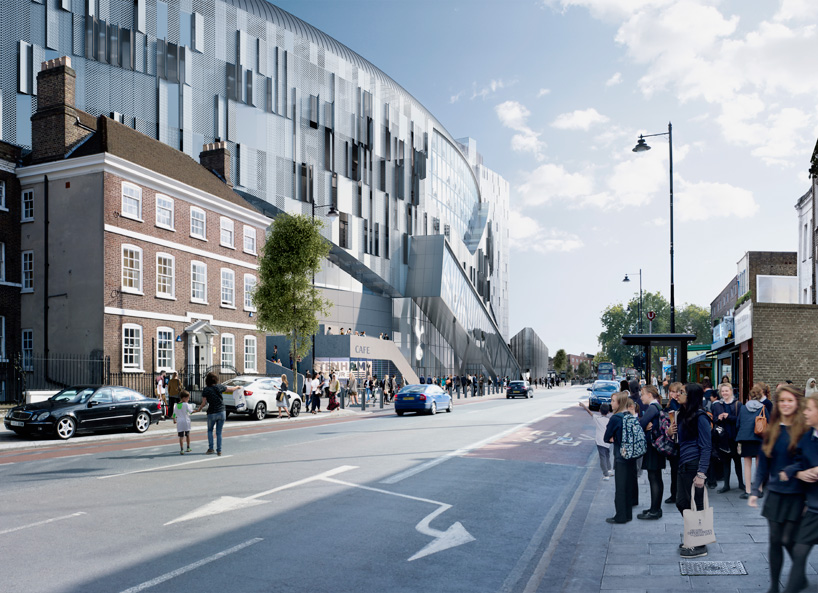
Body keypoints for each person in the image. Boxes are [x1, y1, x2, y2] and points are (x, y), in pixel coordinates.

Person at [750, 384, 808, 593]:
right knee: (775, 540)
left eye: (790, 401)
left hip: (797, 493)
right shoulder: (773, 428)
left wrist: (792, 469)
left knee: (787, 539)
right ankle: (774, 586)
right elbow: (764, 463)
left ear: (797, 403)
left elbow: (807, 460)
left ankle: (799, 575)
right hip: (775, 492)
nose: (785, 404)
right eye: (782, 400)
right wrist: (756, 489)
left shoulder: (804, 430)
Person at [668, 382, 711, 558]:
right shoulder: (683, 414)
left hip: (694, 464)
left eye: (682, 392)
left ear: (692, 396)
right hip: (683, 463)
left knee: (696, 506)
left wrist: (701, 473)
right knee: (681, 502)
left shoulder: (701, 416)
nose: (678, 395)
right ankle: (693, 534)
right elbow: (679, 441)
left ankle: (699, 544)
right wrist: (671, 433)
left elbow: (706, 446)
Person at [604, 391, 638, 524]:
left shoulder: (615, 418)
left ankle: (620, 516)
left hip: (620, 456)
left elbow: (606, 437)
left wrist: (613, 438)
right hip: (631, 455)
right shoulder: (629, 415)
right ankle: (628, 514)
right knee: (628, 485)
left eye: (613, 401)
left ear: (619, 402)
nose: (611, 403)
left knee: (620, 487)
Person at [639, 385, 666, 519]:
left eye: (642, 394)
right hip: (658, 447)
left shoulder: (652, 408)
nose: (641, 397)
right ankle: (655, 508)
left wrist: (643, 424)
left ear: (650, 395)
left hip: (653, 447)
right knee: (656, 478)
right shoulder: (658, 407)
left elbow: (641, 423)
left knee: (654, 478)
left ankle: (655, 511)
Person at [195, 372, 239, 456]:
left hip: (211, 412)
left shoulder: (206, 389)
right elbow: (231, 389)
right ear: (216, 379)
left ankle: (211, 449)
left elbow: (203, 403)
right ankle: (219, 450)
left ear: (207, 380)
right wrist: (237, 387)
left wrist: (199, 409)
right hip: (222, 411)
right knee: (219, 432)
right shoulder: (219, 387)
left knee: (210, 430)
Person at [736, 383, 766, 499]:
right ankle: (759, 489)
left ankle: (748, 491)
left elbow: (738, 423)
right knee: (759, 464)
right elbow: (767, 422)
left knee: (747, 465)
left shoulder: (743, 408)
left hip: (745, 438)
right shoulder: (763, 408)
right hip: (759, 438)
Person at [713, 382, 744, 493]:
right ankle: (726, 485)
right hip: (723, 438)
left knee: (737, 461)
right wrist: (719, 418)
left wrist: (729, 417)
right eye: (723, 391)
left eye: (726, 391)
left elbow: (740, 420)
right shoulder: (717, 405)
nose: (725, 393)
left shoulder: (738, 404)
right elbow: (714, 420)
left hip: (734, 437)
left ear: (731, 391)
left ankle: (741, 483)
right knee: (725, 462)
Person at [580, 401, 612, 480]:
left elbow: (590, 413)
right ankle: (609, 470)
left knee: (602, 457)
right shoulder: (610, 420)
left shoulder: (597, 418)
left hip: (600, 441)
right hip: (608, 442)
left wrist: (584, 406)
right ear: (608, 412)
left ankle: (606, 474)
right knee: (607, 455)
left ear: (599, 411)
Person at [664, 382, 683, 504]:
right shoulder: (669, 406)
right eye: (672, 391)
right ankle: (674, 494)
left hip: (680, 441)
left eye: (677, 391)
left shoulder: (680, 405)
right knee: (675, 470)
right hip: (674, 441)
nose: (675, 394)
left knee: (677, 470)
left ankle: (676, 494)